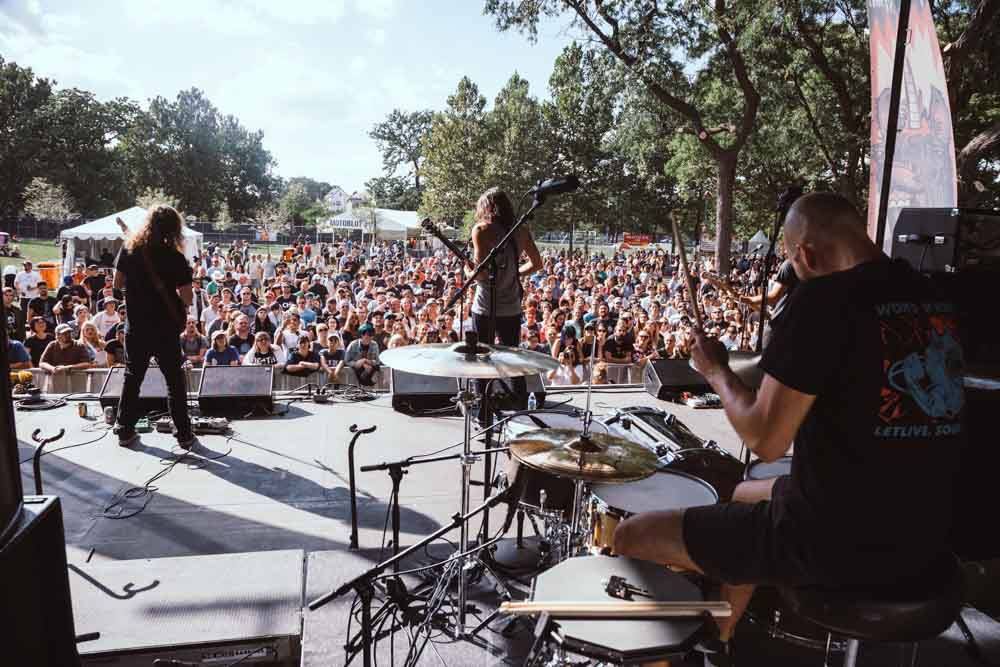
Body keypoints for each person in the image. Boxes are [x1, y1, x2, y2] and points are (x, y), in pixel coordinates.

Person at [610, 193, 967, 665]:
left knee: (631, 536)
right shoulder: (934, 296)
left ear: (806, 255)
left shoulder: (824, 300)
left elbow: (765, 438)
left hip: (834, 541)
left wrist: (716, 371)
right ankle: (720, 637)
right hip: (927, 533)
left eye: (792, 262)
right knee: (744, 492)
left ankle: (666, 654)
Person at [112, 206, 195, 449]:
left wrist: (138, 292)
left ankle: (124, 430)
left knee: (132, 377)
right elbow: (188, 298)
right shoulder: (175, 257)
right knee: (174, 381)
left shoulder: (129, 249)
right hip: (166, 328)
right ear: (174, 229)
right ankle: (183, 434)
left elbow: (117, 284)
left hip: (137, 326)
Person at [466, 188, 542, 409]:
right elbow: (537, 263)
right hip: (511, 307)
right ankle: (519, 406)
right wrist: (514, 273)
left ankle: (483, 409)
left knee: (481, 358)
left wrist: (466, 271)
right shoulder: (521, 230)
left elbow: (480, 275)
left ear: (487, 207)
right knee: (512, 357)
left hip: (485, 306)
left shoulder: (481, 230)